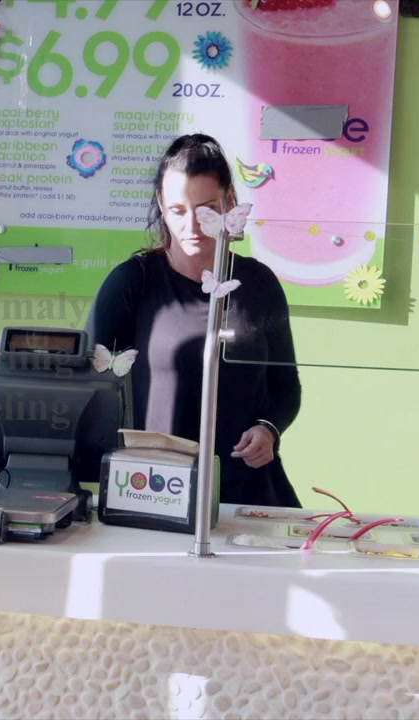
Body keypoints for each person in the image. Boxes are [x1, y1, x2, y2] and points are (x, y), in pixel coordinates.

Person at [86, 134, 302, 508]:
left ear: (230, 201)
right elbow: (88, 390)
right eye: (178, 210)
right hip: (155, 489)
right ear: (160, 203)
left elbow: (286, 387)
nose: (193, 225)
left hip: (247, 493)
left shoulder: (259, 283)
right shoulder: (132, 282)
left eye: (206, 209)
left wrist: (268, 429)